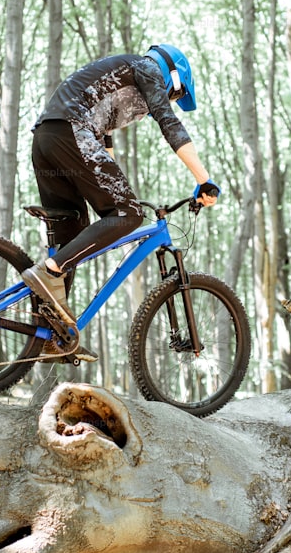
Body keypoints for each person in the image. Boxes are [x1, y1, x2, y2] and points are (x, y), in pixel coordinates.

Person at [22, 44, 220, 349]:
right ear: (173, 78)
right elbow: (170, 124)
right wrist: (204, 181)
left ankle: (51, 333)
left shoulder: (119, 77)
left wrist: (118, 190)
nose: (171, 100)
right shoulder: (148, 69)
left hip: (47, 138)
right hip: (71, 131)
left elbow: (104, 148)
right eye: (176, 94)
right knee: (128, 214)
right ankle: (50, 271)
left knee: (72, 236)